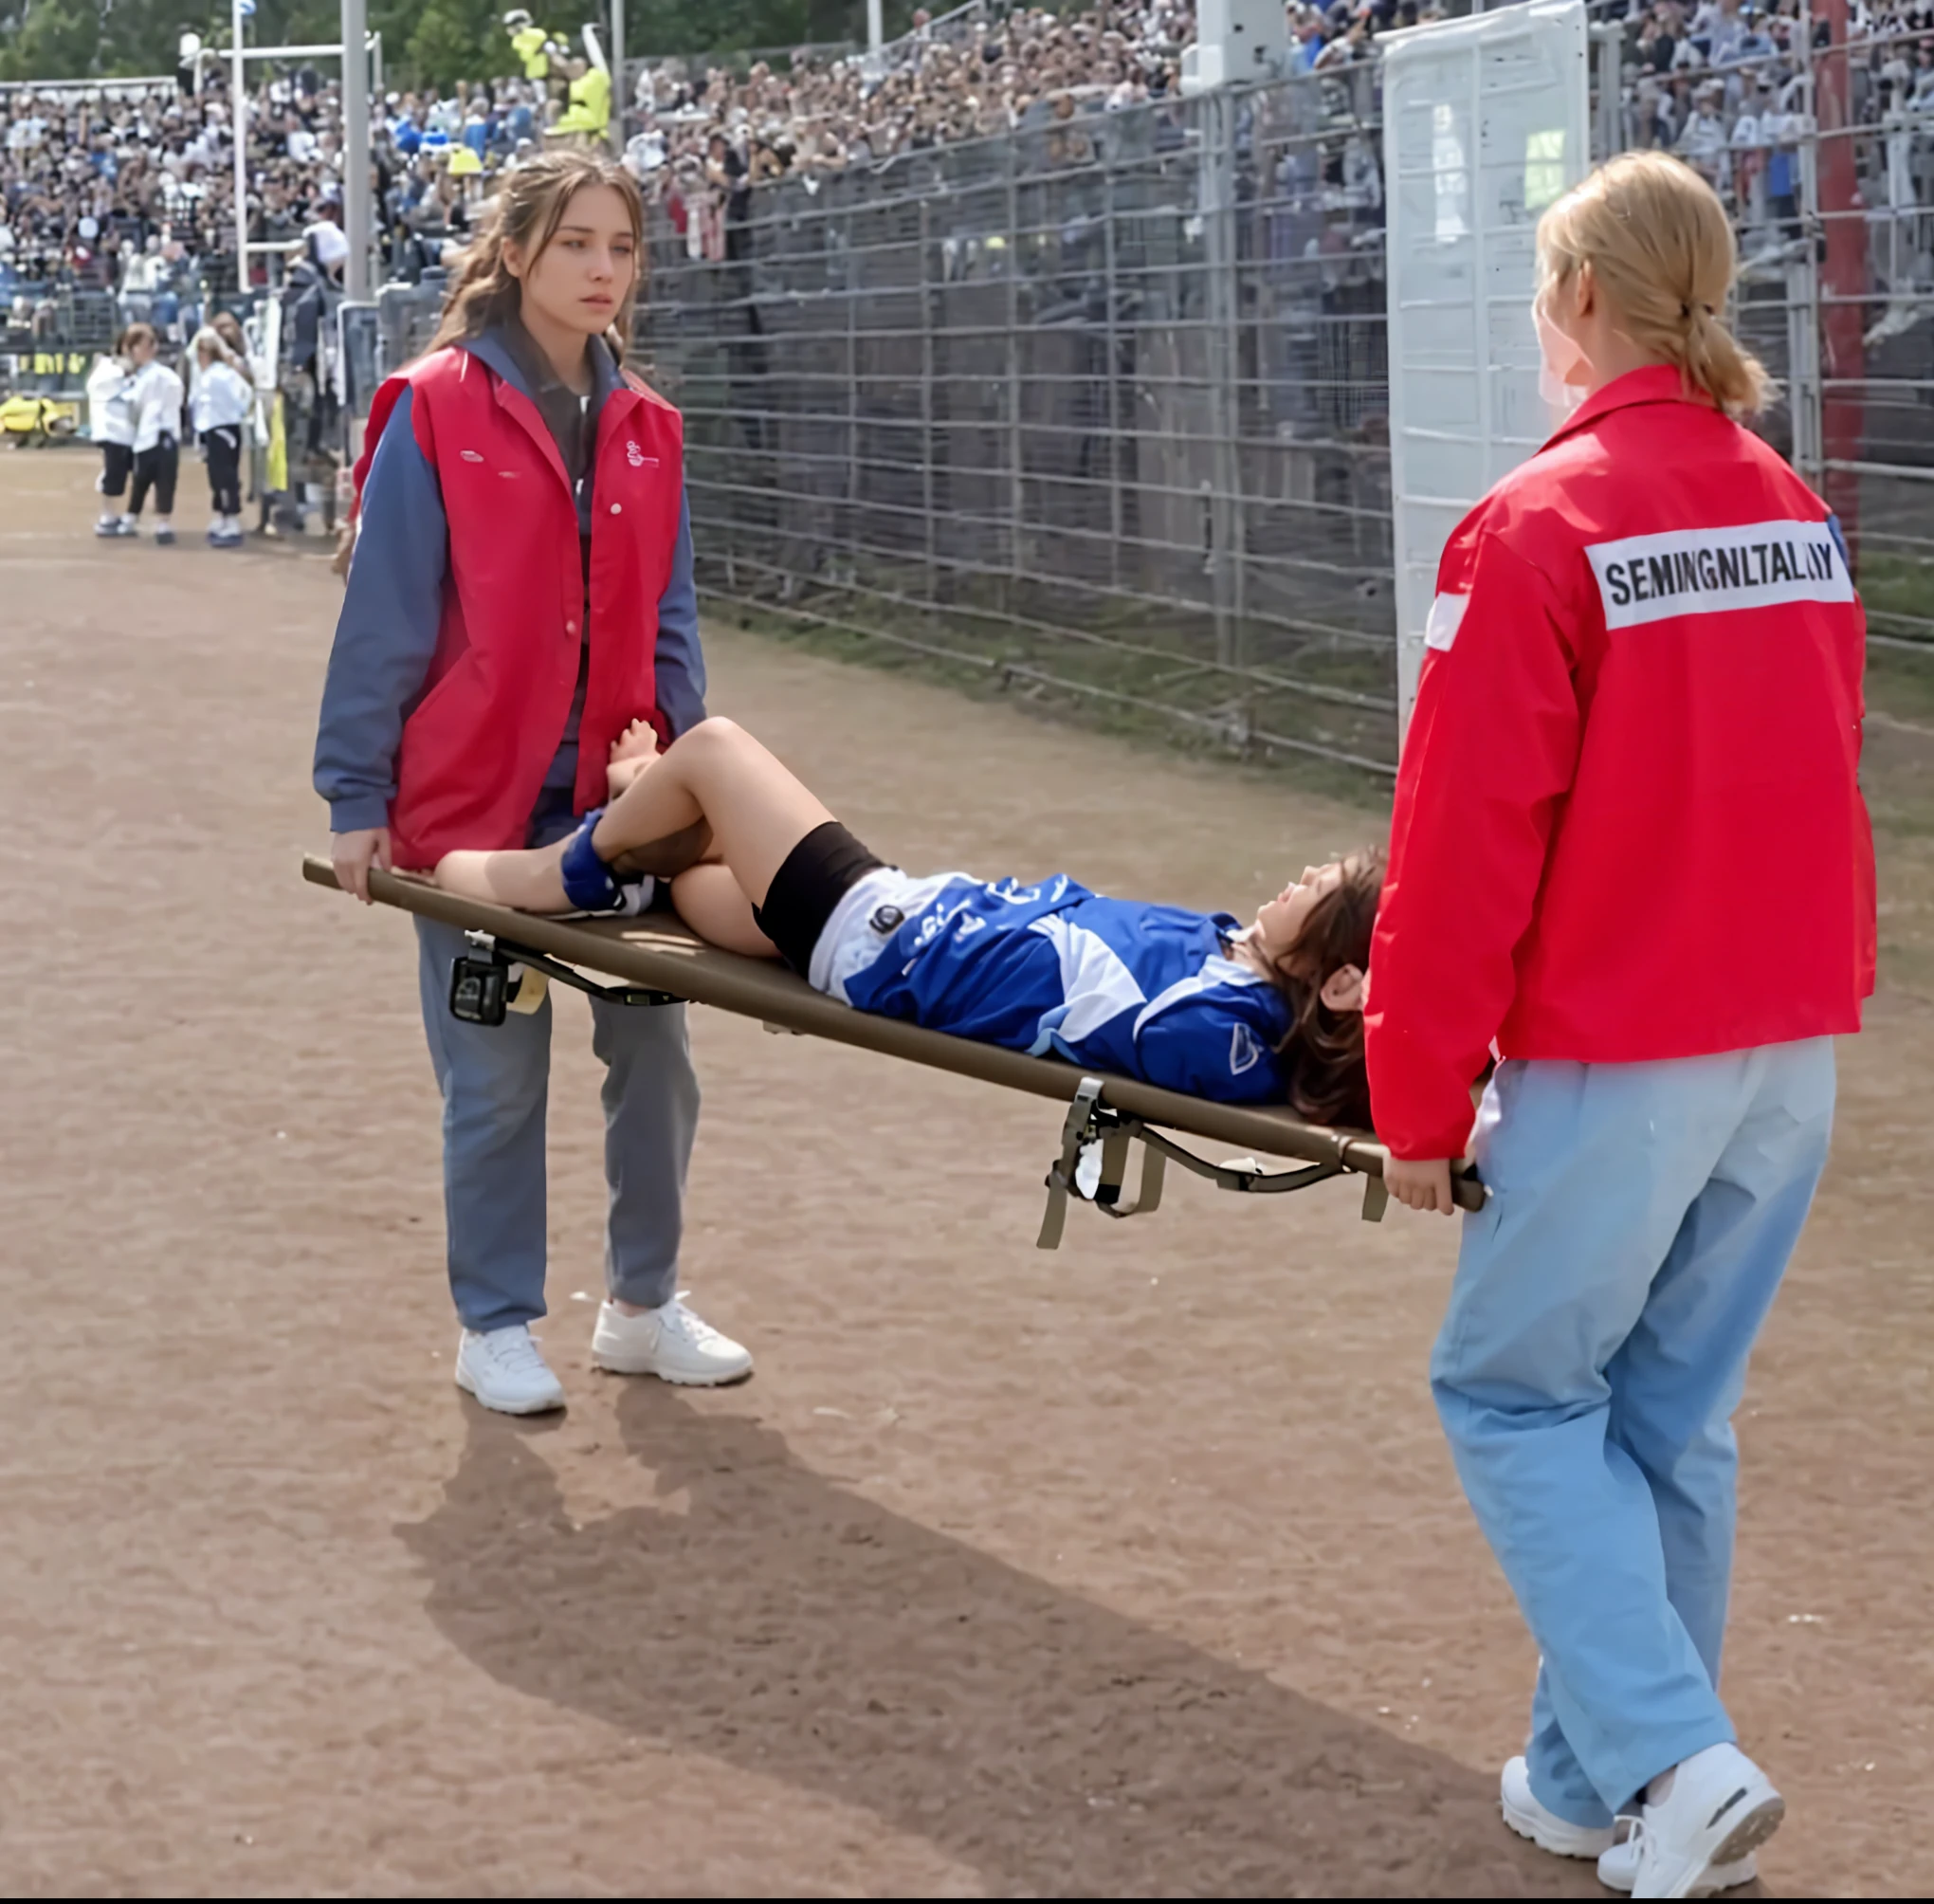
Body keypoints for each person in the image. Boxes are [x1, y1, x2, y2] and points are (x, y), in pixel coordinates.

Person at [1365, 153, 1873, 1899]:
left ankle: (1675, 1751)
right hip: (1786, 1041)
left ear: (1579, 302)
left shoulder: (1539, 523)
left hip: (1620, 1041)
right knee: (1671, 1411)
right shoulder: (1791, 507)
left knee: (1508, 1390)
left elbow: (1461, 838)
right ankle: (1599, 1784)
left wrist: (1417, 1100)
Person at [314, 151, 736, 1419]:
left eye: (621, 247)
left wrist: (679, 760)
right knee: (494, 1076)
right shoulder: (435, 408)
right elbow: (385, 614)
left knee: (655, 1054)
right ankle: (495, 1324)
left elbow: (673, 620)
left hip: (619, 811)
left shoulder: (650, 430)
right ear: (515, 255)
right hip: (467, 814)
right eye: (575, 245)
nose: (603, 269)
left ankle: (641, 1307)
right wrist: (353, 797)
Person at [431, 716, 1381, 1121]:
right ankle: (643, 826)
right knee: (696, 872)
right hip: (891, 923)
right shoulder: (1231, 957)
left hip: (876, 928)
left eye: (1317, 885)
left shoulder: (1231, 1028)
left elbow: (1201, 1050)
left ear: (1338, 977)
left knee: (715, 749)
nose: (1296, 875)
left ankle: (567, 869)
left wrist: (1352, 1010)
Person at [188, 326, 251, 548]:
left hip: (222, 428)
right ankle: (221, 515)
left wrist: (232, 416)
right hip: (214, 430)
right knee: (217, 476)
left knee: (226, 476)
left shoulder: (219, 375)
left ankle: (231, 518)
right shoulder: (213, 375)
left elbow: (243, 398)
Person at [122, 321, 183, 546]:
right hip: (146, 436)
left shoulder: (161, 375)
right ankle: (131, 516)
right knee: (141, 478)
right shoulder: (139, 377)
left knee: (164, 480)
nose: (139, 351)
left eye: (144, 345)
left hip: (163, 433)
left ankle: (163, 522)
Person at [84, 333, 137, 538]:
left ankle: (130, 515)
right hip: (111, 431)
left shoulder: (141, 370)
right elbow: (96, 386)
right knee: (114, 473)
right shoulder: (106, 367)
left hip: (133, 431)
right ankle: (108, 516)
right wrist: (121, 370)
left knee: (141, 474)